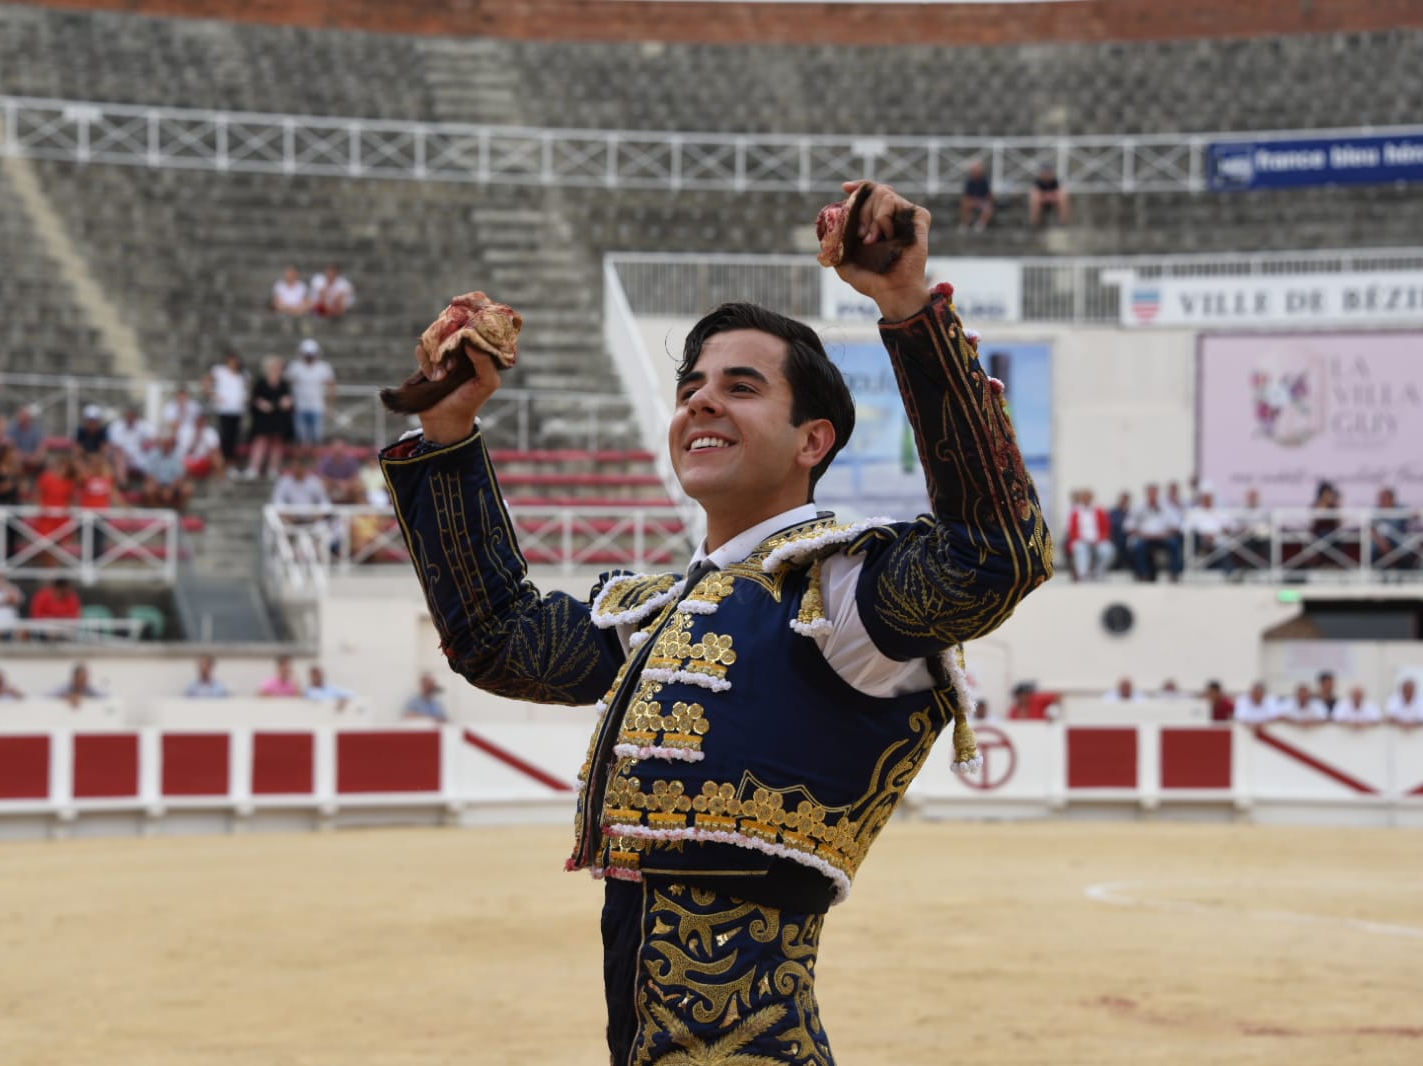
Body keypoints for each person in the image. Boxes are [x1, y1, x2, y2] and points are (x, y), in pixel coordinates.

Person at [377, 181, 1051, 1064]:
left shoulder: (843, 596)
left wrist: (905, 304)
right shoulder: (660, 613)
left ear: (812, 441)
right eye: (690, 386)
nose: (699, 401)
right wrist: (447, 430)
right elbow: (501, 641)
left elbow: (995, 554)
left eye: (741, 387)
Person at [244, 356, 295, 479]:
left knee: (277, 443)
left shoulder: (284, 384)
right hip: (264, 418)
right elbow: (254, 399)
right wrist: (261, 404)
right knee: (260, 442)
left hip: (279, 417)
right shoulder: (261, 382)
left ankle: (273, 469)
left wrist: (286, 403)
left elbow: (288, 400)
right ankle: (253, 468)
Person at [286, 339, 337, 446]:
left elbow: (331, 385)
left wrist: (330, 405)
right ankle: (301, 456)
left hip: (317, 407)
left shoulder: (323, 367)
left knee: (316, 438)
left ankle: (314, 456)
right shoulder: (295, 366)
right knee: (299, 438)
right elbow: (287, 386)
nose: (309, 356)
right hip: (299, 407)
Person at [207, 349, 251, 466]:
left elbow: (249, 387)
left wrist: (245, 399)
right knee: (226, 436)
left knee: (236, 437)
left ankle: (232, 461)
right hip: (224, 409)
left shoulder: (243, 374)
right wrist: (213, 395)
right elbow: (207, 381)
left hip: (237, 410)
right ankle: (225, 460)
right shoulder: (220, 371)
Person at [1065, 488, 1113, 581]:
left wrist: (1099, 539)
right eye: (1084, 497)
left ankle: (1099, 571)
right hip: (1081, 540)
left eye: (1088, 497)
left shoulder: (1099, 510)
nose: (1086, 499)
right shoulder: (1075, 511)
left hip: (1098, 540)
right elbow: (1071, 530)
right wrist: (1082, 539)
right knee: (1080, 549)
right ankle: (1083, 574)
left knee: (1107, 550)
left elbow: (1106, 527)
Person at [107, 406, 154, 489]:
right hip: (123, 455)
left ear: (136, 416)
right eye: (129, 415)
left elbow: (153, 440)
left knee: (153, 457)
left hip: (139, 455)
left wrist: (148, 443)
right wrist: (127, 456)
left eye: (133, 416)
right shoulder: (116, 426)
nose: (130, 418)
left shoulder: (144, 426)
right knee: (119, 457)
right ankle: (123, 484)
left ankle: (149, 487)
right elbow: (116, 446)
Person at [7, 404, 48, 478]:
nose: (21, 418)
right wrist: (25, 457)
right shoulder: (12, 429)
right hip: (19, 458)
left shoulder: (36, 430)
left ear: (29, 417)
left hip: (33, 458)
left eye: (24, 415)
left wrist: (35, 457)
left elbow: (41, 446)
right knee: (14, 460)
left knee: (44, 461)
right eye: (20, 415)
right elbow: (11, 447)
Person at [958, 160, 995, 233]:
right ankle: (965, 223)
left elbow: (988, 194)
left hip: (982, 201)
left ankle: (981, 224)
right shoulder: (969, 181)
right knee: (965, 204)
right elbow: (966, 195)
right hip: (972, 200)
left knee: (989, 208)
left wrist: (987, 201)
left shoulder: (985, 181)